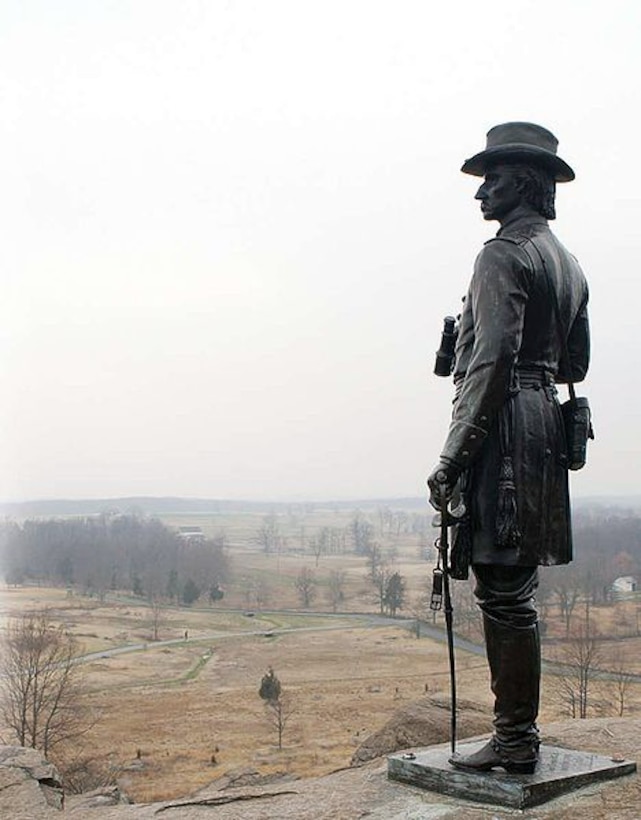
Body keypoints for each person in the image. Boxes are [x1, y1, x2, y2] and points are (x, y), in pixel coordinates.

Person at [427, 122, 590, 774]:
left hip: (503, 430)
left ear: (520, 181)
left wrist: (451, 456)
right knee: (512, 591)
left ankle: (514, 738)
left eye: (489, 179)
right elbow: (571, 359)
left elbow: (492, 363)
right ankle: (516, 733)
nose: (480, 193)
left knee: (502, 594)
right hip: (541, 426)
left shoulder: (501, 255)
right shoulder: (566, 261)